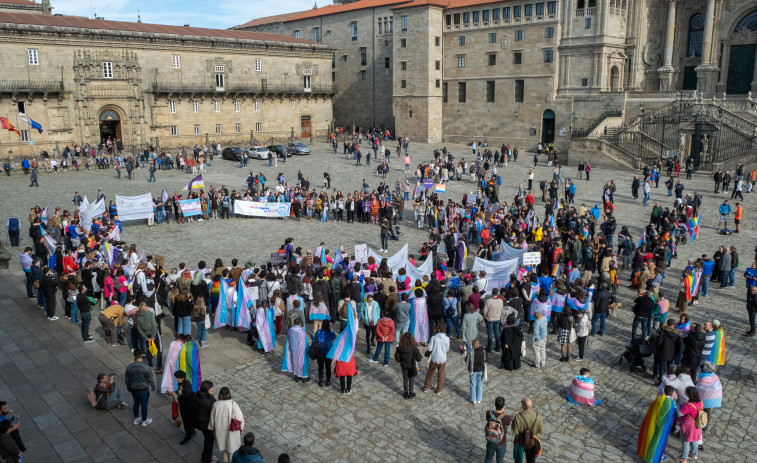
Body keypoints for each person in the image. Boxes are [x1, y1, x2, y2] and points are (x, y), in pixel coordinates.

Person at [637, 385, 677, 463]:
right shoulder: (671, 404)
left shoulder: (658, 399)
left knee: (650, 439)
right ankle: (653, 458)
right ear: (672, 393)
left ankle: (646, 454)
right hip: (662, 427)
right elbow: (670, 418)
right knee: (658, 442)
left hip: (653, 423)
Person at [209, 387, 245, 463]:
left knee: (224, 449)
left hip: (220, 431)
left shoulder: (216, 405)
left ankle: (225, 461)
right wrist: (241, 428)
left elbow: (212, 420)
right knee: (232, 450)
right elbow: (240, 418)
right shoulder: (233, 404)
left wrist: (212, 428)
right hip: (232, 431)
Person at [124, 349, 156, 427]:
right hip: (144, 389)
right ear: (142, 355)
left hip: (134, 389)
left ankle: (136, 419)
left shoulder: (129, 367)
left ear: (134, 356)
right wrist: (153, 387)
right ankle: (144, 420)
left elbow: (127, 379)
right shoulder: (146, 367)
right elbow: (151, 379)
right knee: (144, 405)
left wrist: (128, 387)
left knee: (136, 403)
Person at [695, 361, 721, 451]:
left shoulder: (702, 378)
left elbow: (699, 388)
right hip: (712, 398)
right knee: (708, 412)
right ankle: (705, 426)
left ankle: (700, 425)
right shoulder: (715, 376)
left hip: (704, 399)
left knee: (701, 413)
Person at [511, 397, 544, 463]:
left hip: (520, 441)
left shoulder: (517, 417)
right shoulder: (538, 416)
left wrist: (513, 421)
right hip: (532, 441)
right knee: (531, 461)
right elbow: (541, 431)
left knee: (518, 460)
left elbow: (515, 432)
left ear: (523, 406)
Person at [192, 380, 217, 463]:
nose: (211, 391)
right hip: (206, 425)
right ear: (207, 390)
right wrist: (211, 396)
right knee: (209, 442)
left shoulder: (197, 395)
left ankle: (205, 456)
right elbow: (215, 409)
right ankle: (207, 459)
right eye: (210, 389)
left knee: (207, 440)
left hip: (199, 423)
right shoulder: (209, 401)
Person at [676, 387, 703, 463]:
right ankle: (694, 454)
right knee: (695, 439)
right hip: (697, 424)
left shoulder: (688, 406)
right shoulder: (701, 402)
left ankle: (683, 458)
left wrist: (678, 406)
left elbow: (679, 413)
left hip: (688, 426)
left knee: (685, 441)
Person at [422, 323, 449, 395]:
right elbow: (447, 349)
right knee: (441, 375)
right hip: (442, 359)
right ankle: (439, 390)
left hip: (435, 358)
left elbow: (430, 348)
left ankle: (426, 387)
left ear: (438, 329)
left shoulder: (433, 338)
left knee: (430, 373)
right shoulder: (447, 338)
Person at [170, 370, 195, 445]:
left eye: (177, 378)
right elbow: (180, 391)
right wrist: (174, 392)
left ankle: (188, 437)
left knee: (187, 422)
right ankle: (192, 431)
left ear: (182, 378)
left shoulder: (187, 385)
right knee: (188, 422)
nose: (176, 379)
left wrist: (177, 395)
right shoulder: (181, 383)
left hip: (187, 407)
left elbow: (187, 396)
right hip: (183, 405)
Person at [484, 396, 512, 463]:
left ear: (495, 404)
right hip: (501, 442)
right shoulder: (507, 418)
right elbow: (506, 427)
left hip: (491, 439)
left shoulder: (489, 413)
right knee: (499, 461)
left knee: (488, 459)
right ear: (503, 405)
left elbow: (488, 420)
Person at [395, 332, 423, 399]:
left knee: (405, 379)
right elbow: (419, 358)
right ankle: (411, 392)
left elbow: (397, 359)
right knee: (411, 379)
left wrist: (401, 360)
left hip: (404, 366)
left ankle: (406, 393)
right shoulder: (414, 348)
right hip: (412, 366)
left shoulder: (400, 348)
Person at [313, 320, 337, 387]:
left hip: (319, 353)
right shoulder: (331, 333)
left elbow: (313, 341)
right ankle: (328, 381)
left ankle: (320, 381)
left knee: (320, 367)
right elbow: (336, 342)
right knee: (328, 368)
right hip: (328, 354)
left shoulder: (317, 332)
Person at [466, 339, 486, 404]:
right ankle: (479, 399)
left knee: (473, 385)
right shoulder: (483, 351)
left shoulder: (470, 351)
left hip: (473, 370)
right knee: (479, 385)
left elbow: (466, 360)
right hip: (480, 370)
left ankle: (473, 399)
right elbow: (486, 359)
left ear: (473, 345)